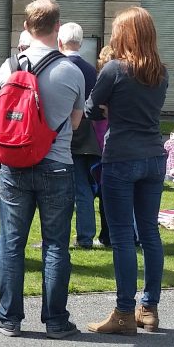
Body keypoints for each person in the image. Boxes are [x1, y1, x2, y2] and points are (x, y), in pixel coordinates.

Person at [0, 0, 83, 339]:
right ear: (58, 28)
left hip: (14, 164)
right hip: (56, 166)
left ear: (26, 27)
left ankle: (9, 318)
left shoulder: (9, 66)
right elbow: (75, 122)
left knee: (12, 243)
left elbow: (1, 116)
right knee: (56, 245)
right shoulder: (71, 70)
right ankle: (56, 321)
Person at [85, 6, 168, 335]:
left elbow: (92, 108)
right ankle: (148, 307)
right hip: (153, 157)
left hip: (121, 157)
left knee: (121, 238)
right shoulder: (160, 72)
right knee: (149, 234)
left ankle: (122, 312)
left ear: (125, 35)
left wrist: (107, 105)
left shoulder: (115, 70)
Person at [59, 22, 103, 249]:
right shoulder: (91, 70)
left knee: (64, 190)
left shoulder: (58, 66)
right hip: (88, 135)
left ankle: (77, 237)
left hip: (65, 134)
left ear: (60, 42)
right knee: (84, 187)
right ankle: (85, 235)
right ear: (81, 42)